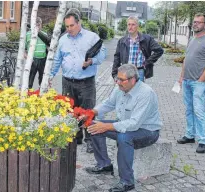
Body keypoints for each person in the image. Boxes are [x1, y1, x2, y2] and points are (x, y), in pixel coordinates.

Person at [83, 64, 162, 192]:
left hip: (148, 131)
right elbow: (108, 103)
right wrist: (91, 113)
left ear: (133, 80)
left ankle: (127, 182)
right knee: (93, 126)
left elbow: (134, 123)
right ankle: (105, 165)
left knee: (124, 137)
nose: (118, 82)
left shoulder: (146, 93)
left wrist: (107, 126)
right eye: (117, 78)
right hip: (126, 124)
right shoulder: (120, 88)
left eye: (121, 80)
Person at [50, 12, 107, 153]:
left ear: (79, 23)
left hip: (86, 82)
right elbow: (57, 59)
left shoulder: (92, 37)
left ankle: (90, 140)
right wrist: (50, 75)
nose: (69, 29)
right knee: (70, 110)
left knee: (88, 111)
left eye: (72, 25)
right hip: (68, 81)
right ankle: (76, 137)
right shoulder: (63, 40)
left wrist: (92, 61)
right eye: (67, 26)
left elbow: (102, 53)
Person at [177, 13, 205, 154]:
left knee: (199, 111)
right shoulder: (192, 38)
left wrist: (201, 80)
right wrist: (181, 76)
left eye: (198, 22)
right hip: (187, 80)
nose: (195, 24)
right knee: (189, 109)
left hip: (199, 83)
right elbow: (186, 59)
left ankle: (203, 140)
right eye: (194, 22)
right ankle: (189, 135)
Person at [112, 16, 163, 82]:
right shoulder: (122, 41)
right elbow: (117, 58)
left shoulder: (147, 39)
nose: (130, 27)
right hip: (125, 72)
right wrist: (115, 74)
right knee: (125, 91)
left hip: (139, 71)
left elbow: (159, 50)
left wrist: (148, 62)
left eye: (133, 24)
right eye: (129, 24)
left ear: (137, 26)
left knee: (139, 91)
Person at [25, 17, 47, 89]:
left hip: (43, 60)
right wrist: (28, 58)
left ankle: (41, 95)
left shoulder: (44, 35)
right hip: (32, 61)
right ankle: (28, 96)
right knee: (29, 82)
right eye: (36, 25)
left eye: (39, 25)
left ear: (41, 25)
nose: (38, 27)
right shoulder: (27, 35)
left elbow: (49, 48)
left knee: (42, 81)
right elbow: (23, 50)